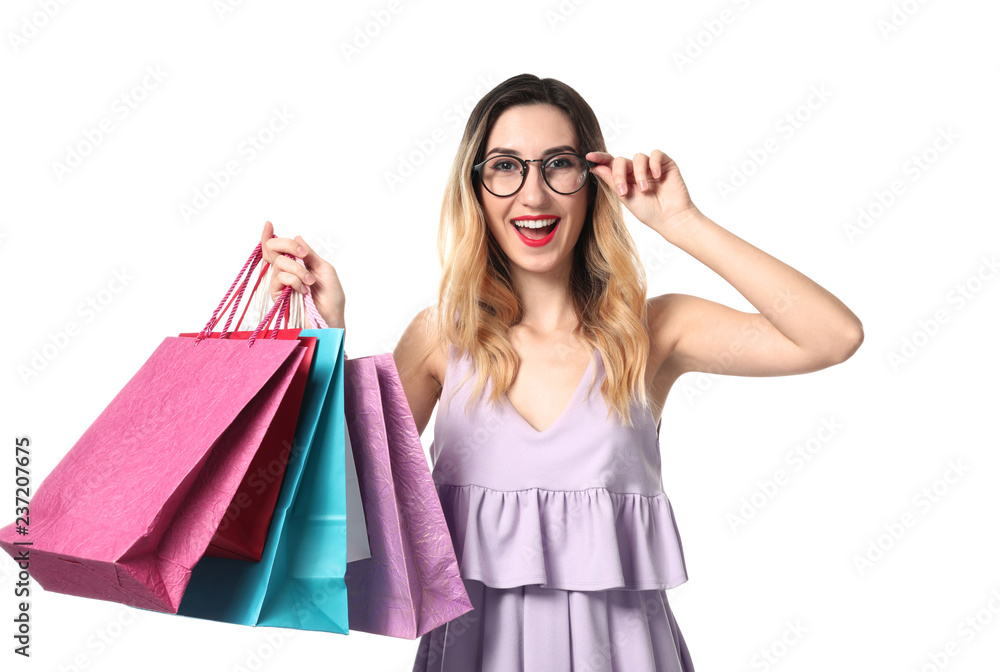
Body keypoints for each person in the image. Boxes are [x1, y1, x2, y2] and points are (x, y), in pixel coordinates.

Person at [259, 74, 864, 671]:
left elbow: (832, 337)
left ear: (592, 183)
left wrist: (681, 223)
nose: (534, 196)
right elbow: (339, 512)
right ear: (476, 187)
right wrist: (325, 337)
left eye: (558, 165)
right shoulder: (443, 336)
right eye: (505, 166)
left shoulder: (653, 332)